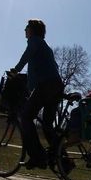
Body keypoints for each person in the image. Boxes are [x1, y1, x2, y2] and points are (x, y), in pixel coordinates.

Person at [9, 19, 64, 170]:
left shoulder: (34, 41)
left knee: (26, 118)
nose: (25, 30)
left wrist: (15, 70)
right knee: (47, 126)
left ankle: (38, 157)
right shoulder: (45, 46)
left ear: (32, 30)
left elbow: (27, 55)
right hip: (56, 85)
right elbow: (41, 71)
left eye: (26, 28)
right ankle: (65, 162)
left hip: (46, 85)